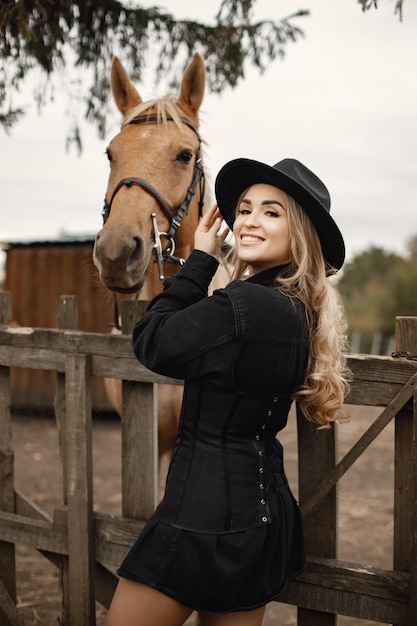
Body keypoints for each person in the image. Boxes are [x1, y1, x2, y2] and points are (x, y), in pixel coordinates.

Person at [105, 157, 349, 626]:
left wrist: (200, 262)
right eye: (245, 209)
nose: (250, 220)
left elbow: (150, 341)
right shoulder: (298, 308)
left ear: (298, 232)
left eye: (271, 212)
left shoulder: (242, 305)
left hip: (201, 520)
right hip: (262, 521)